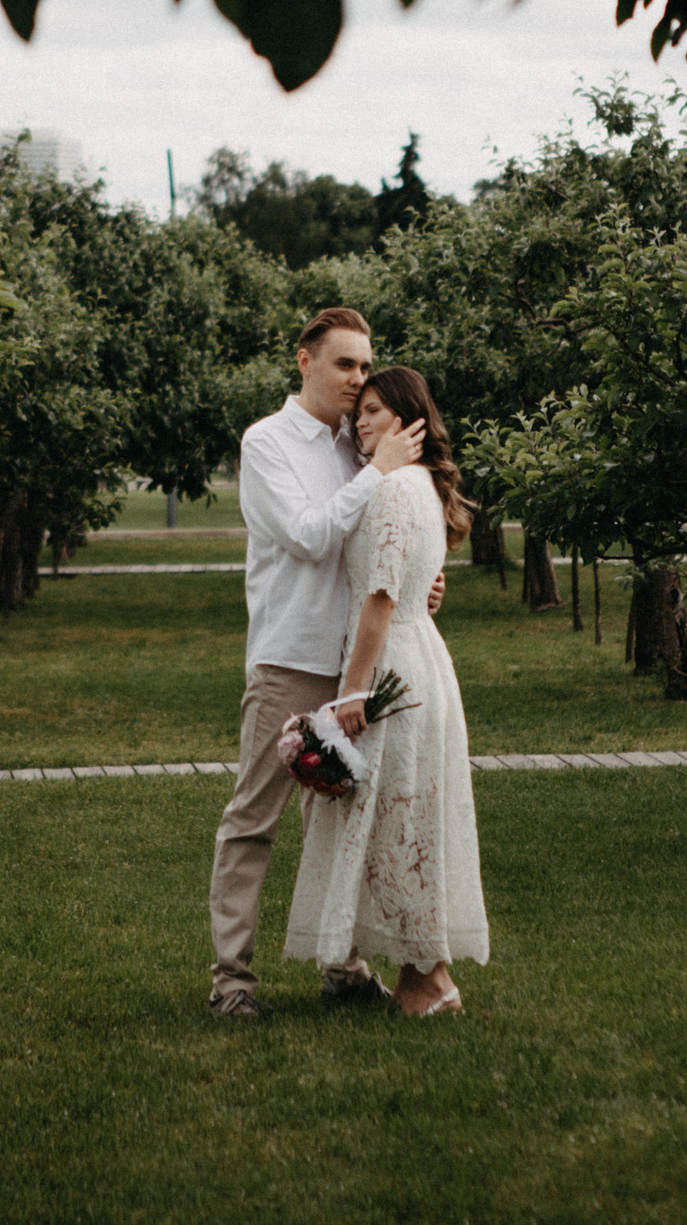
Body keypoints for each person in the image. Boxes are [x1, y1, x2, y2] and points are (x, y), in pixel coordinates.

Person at [209, 307, 440, 1018]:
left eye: (366, 366)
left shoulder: (357, 442)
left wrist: (423, 579)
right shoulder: (268, 442)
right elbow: (311, 537)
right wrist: (377, 472)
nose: (358, 378)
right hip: (289, 657)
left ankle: (343, 965)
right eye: (345, 364)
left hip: (354, 668)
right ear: (304, 360)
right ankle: (232, 981)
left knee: (342, 823)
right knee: (254, 819)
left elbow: (377, 540)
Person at [284, 365, 489, 1016]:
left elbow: (379, 597)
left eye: (374, 410)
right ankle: (415, 973)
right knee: (401, 817)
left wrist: (351, 695)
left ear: (408, 419)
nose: (361, 421)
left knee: (397, 819)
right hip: (423, 658)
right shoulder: (421, 484)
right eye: (360, 411)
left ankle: (429, 977)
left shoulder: (395, 487)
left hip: (394, 665)